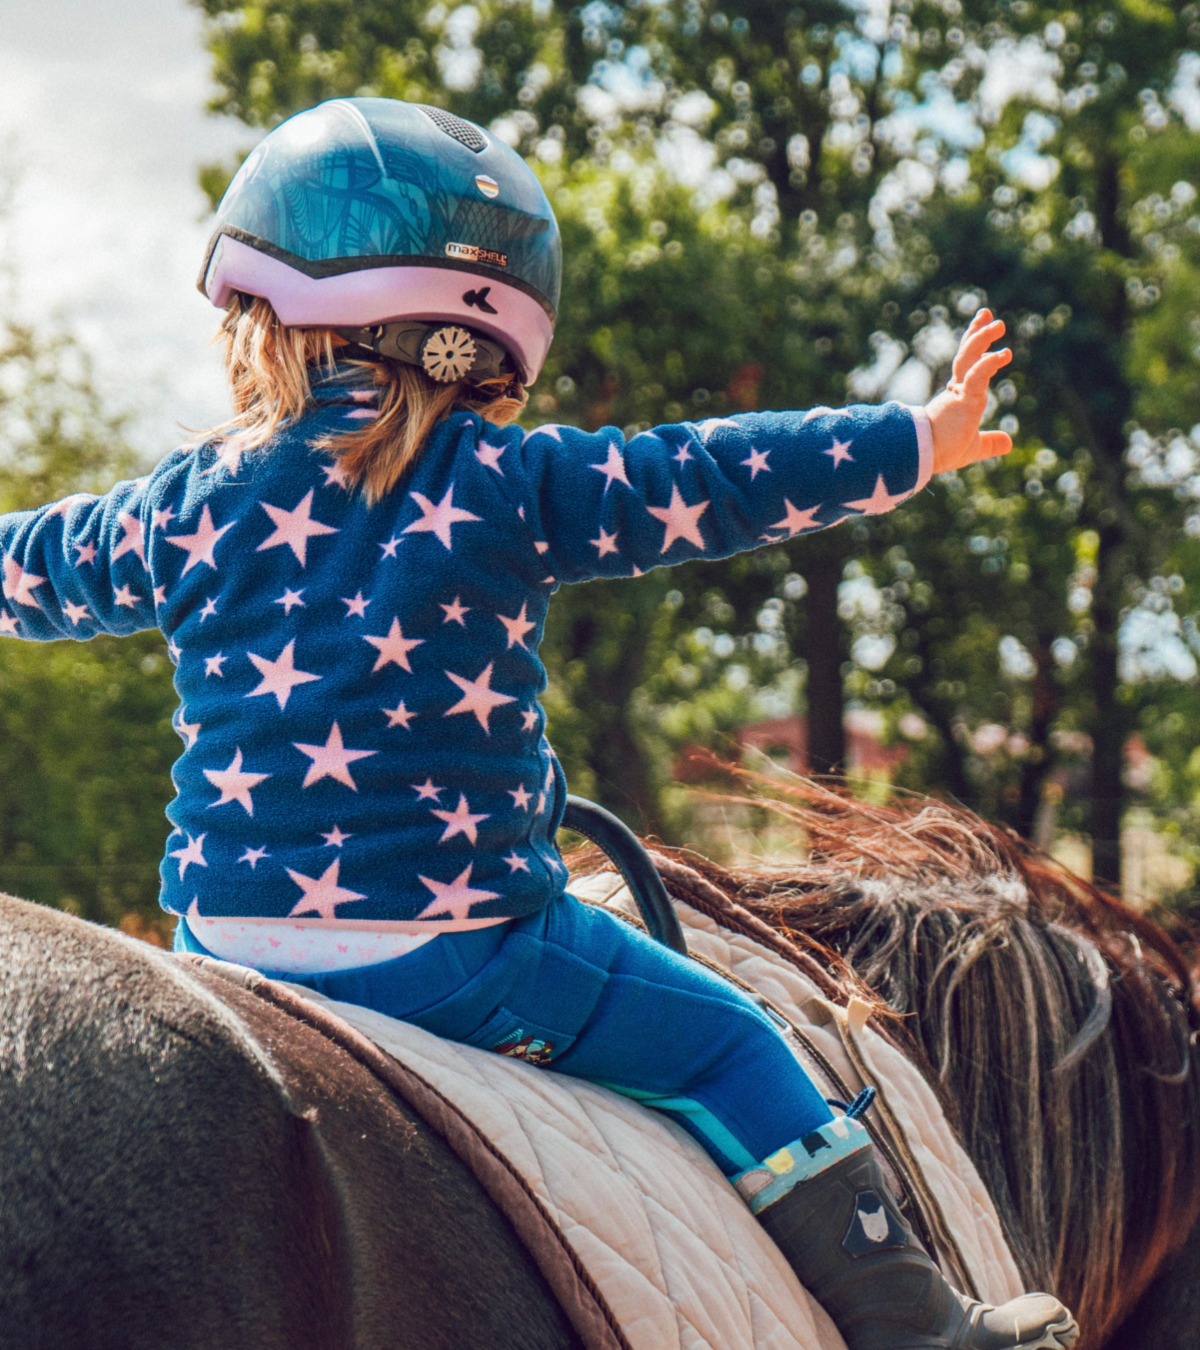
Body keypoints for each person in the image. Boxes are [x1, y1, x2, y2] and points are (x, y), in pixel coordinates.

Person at [0, 98, 1076, 1350]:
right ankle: (925, 1333)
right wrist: (915, 440)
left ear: (264, 324)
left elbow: (28, 567)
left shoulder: (181, 507)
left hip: (223, 945)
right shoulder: (512, 484)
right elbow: (713, 476)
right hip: (457, 950)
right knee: (733, 1046)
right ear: (485, 343)